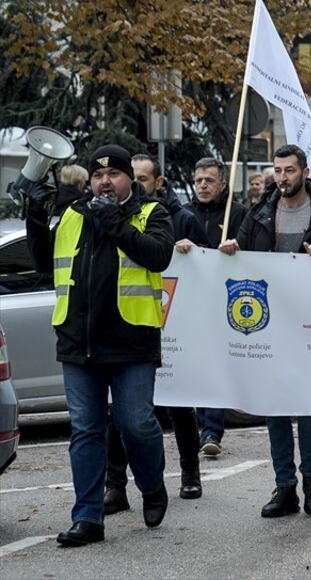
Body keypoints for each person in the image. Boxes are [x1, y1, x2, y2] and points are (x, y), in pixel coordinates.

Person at [25, 144, 174, 546]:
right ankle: (87, 517)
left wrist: (116, 225)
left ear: (129, 179)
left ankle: (151, 485)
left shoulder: (151, 213)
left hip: (131, 341)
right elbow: (44, 262)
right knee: (86, 430)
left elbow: (158, 256)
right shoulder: (75, 215)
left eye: (113, 175)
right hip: (78, 341)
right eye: (97, 176)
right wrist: (35, 217)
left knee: (136, 424)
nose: (104, 181)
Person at [219, 144, 311, 519]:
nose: (282, 178)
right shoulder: (260, 211)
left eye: (289, 171)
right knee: (275, 404)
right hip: (269, 322)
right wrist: (230, 248)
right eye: (277, 170)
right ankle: (285, 486)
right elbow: (240, 255)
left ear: (304, 171)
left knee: (307, 404)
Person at [95, 155, 206, 513]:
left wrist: (193, 250)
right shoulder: (108, 211)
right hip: (135, 319)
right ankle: (116, 484)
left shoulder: (179, 217)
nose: (136, 183)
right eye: (135, 176)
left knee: (177, 401)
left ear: (157, 182)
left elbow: (209, 265)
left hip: (177, 317)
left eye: (143, 178)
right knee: (121, 414)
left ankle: (189, 471)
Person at [182, 156, 248, 455]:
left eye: (210, 180)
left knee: (216, 364)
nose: (203, 185)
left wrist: (235, 247)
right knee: (193, 365)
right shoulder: (183, 215)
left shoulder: (238, 214)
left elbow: (252, 249)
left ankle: (212, 431)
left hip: (226, 298)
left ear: (223, 184)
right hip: (191, 299)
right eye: (199, 180)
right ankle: (196, 424)